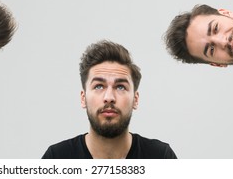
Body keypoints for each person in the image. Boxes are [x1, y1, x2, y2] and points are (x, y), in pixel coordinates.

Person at [42, 40, 177, 159]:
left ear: (135, 99)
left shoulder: (161, 157)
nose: (109, 98)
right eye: (99, 86)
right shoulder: (57, 158)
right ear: (83, 98)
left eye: (120, 87)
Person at [164, 4, 233, 145]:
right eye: (211, 49)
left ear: (226, 13)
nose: (223, 41)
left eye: (215, 28)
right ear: (218, 64)